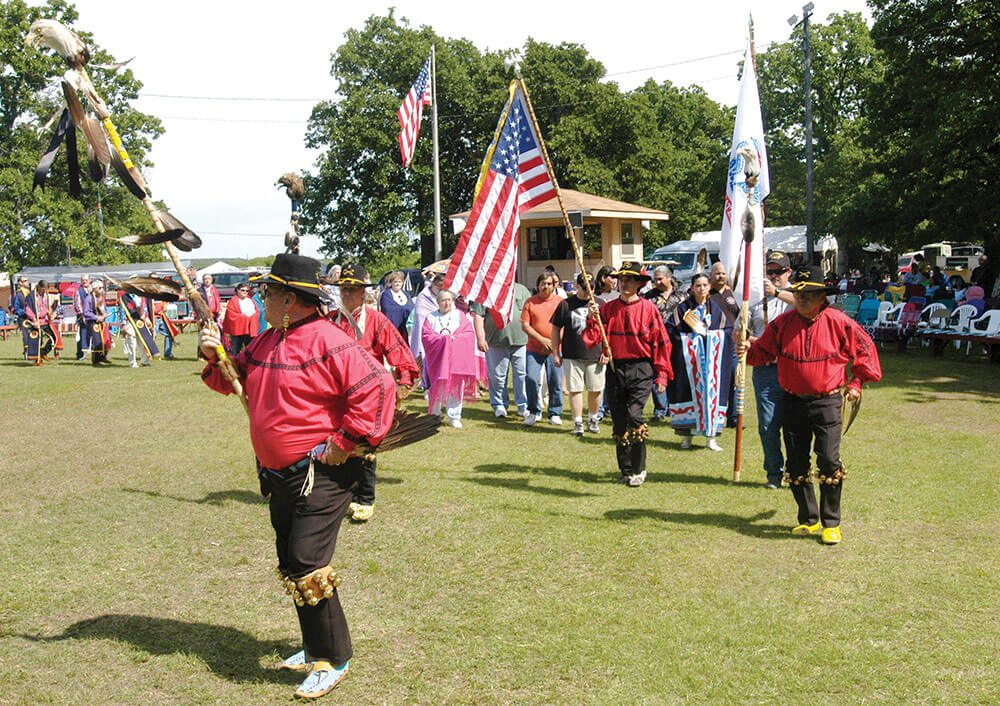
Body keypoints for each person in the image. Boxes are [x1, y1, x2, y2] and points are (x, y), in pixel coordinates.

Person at [201, 253, 395, 699]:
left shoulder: (330, 341)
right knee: (292, 560)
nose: (262, 298)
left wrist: (345, 442)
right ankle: (313, 648)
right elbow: (230, 381)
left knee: (307, 561)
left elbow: (379, 389)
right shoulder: (267, 341)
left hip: (320, 474)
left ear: (289, 298)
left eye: (268, 292)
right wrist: (215, 356)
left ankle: (334, 657)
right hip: (277, 475)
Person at [740, 265, 882, 546]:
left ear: (822, 297)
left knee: (828, 460)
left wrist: (856, 382)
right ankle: (808, 518)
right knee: (795, 463)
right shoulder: (781, 325)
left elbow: (865, 350)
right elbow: (762, 352)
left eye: (808, 294)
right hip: (792, 401)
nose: (801, 299)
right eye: (798, 294)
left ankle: (831, 523)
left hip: (827, 401)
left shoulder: (839, 322)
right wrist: (747, 348)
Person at [327, 264, 418, 523]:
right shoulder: (330, 321)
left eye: (353, 290)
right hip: (336, 394)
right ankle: (339, 494)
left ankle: (364, 498)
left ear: (362, 293)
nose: (348, 294)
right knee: (335, 441)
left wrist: (403, 382)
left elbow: (398, 350)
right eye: (344, 289)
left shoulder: (376, 320)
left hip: (368, 396)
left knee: (365, 445)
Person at [583, 262, 671, 486]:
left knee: (634, 415)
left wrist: (661, 375)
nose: (624, 283)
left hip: (641, 368)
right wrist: (593, 318)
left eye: (630, 279)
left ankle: (640, 468)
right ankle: (626, 469)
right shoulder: (608, 309)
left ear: (640, 284)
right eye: (622, 279)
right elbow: (591, 339)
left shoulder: (649, 309)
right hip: (615, 368)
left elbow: (661, 343)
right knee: (619, 420)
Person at [666, 273, 732, 451]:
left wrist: (711, 336)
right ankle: (686, 438)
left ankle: (711, 438)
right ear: (692, 288)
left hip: (711, 365)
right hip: (688, 362)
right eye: (698, 285)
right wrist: (690, 337)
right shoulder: (682, 309)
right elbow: (670, 331)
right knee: (685, 394)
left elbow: (727, 331)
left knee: (712, 396)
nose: (702, 289)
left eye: (704, 285)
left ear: (709, 287)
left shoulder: (716, 309)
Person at [747, 251, 796, 487]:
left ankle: (797, 471)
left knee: (795, 425)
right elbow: (742, 330)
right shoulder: (757, 301)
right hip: (766, 371)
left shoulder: (799, 296)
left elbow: (808, 307)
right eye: (770, 272)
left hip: (793, 370)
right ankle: (774, 474)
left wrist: (777, 293)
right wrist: (745, 338)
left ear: (789, 273)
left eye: (779, 272)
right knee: (768, 425)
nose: (774, 276)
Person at [550, 272, 606, 436]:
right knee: (575, 389)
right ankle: (578, 422)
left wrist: (606, 351)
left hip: (595, 354)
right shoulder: (566, 305)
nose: (587, 291)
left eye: (591, 287)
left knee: (595, 389)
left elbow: (607, 331)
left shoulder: (601, 304)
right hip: (572, 354)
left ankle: (593, 418)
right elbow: (555, 329)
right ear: (576, 286)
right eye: (583, 287)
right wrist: (555, 352)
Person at [470, 282, 531, 419]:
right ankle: (499, 405)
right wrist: (480, 338)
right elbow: (478, 315)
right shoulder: (486, 291)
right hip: (496, 342)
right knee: (497, 377)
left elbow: (530, 312)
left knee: (522, 375)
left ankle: (523, 405)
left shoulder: (522, 290)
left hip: (521, 341)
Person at [421, 289, 479, 428]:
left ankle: (454, 416)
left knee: (456, 387)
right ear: (438, 302)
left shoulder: (459, 316)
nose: (446, 303)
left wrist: (454, 339)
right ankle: (435, 413)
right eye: (443, 300)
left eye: (449, 300)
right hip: (439, 360)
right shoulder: (431, 317)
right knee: (438, 386)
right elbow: (426, 336)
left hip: (456, 360)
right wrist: (443, 340)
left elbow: (468, 333)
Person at [521, 271, 565, 426]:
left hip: (555, 350)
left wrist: (553, 343)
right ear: (538, 284)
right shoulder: (530, 302)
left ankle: (555, 412)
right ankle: (533, 411)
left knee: (556, 381)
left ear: (554, 286)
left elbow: (564, 326)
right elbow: (525, 326)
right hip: (533, 349)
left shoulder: (561, 302)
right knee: (531, 378)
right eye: (542, 283)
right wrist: (541, 340)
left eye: (548, 284)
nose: (545, 287)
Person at [644, 265, 684, 421]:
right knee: (658, 374)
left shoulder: (682, 296)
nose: (657, 282)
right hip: (656, 342)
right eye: (655, 280)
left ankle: (674, 406)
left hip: (677, 340)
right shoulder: (649, 297)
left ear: (669, 277)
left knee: (676, 373)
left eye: (660, 279)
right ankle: (660, 409)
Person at [410, 273, 444, 383]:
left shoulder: (444, 297)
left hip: (440, 333)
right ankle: (426, 383)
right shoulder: (423, 296)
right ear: (432, 284)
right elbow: (420, 315)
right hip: (425, 333)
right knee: (426, 357)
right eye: (438, 288)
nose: (439, 291)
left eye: (442, 288)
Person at [222, 282, 261, 355]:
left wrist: (253, 318)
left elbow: (257, 312)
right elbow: (231, 315)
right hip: (238, 330)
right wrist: (246, 318)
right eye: (243, 290)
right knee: (235, 350)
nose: (245, 292)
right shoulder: (233, 301)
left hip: (250, 329)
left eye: (247, 291)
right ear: (237, 290)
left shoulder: (251, 300)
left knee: (250, 350)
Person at [119, 291, 154, 367]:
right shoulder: (125, 297)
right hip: (130, 321)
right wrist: (124, 324)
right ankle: (133, 362)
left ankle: (145, 360)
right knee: (132, 342)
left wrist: (146, 318)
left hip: (140, 321)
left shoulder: (141, 295)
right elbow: (122, 310)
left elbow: (144, 307)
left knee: (144, 340)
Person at [379, 270, 414, 342]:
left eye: (400, 282)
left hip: (405, 329)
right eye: (395, 282)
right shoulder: (386, 294)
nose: (398, 284)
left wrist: (405, 310)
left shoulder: (406, 294)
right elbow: (388, 310)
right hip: (393, 329)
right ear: (391, 283)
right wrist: (405, 310)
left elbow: (412, 308)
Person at [86, 279, 111, 364]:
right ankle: (96, 360)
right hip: (93, 323)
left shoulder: (102, 298)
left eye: (102, 288)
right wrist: (96, 317)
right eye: (100, 288)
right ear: (94, 289)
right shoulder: (89, 298)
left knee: (106, 339)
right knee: (97, 340)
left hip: (102, 322)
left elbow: (105, 309)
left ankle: (103, 357)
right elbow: (86, 312)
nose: (102, 290)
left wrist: (105, 314)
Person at [73, 274, 91, 359]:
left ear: (89, 280)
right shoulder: (78, 291)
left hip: (92, 316)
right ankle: (80, 354)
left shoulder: (92, 290)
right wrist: (82, 315)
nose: (84, 281)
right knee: (82, 335)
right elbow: (77, 304)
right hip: (82, 316)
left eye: (86, 280)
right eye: (83, 280)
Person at [12, 276, 30, 359]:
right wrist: (25, 311)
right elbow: (16, 309)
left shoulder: (29, 292)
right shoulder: (18, 294)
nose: (27, 282)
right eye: (25, 281)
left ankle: (35, 352)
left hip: (31, 317)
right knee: (26, 335)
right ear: (20, 283)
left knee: (34, 334)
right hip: (23, 318)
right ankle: (27, 353)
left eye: (27, 280)